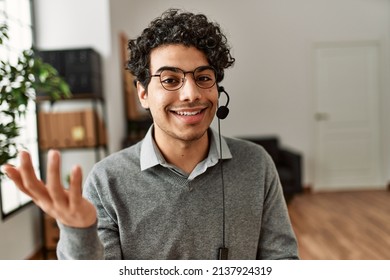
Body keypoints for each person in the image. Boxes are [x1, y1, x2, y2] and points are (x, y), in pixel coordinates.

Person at [1, 8, 299, 260]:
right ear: (143, 93)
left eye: (203, 78)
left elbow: (282, 261)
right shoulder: (107, 180)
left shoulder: (256, 164)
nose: (191, 94)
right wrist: (79, 232)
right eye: (170, 79)